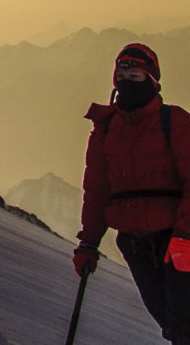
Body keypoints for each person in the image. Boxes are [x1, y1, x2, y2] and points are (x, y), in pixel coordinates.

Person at [74, 42, 190, 341]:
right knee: (172, 324)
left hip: (177, 241)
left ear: (152, 80)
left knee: (182, 327)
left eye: (135, 77)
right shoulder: (106, 128)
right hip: (137, 245)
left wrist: (185, 236)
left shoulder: (174, 122)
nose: (126, 82)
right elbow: (97, 188)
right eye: (122, 77)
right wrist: (88, 242)